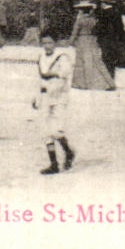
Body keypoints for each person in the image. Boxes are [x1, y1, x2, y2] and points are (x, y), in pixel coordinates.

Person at [33, 33, 76, 174]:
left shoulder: (62, 58)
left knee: (57, 130)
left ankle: (68, 151)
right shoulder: (41, 58)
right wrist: (36, 96)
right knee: (45, 130)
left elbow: (66, 72)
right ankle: (54, 164)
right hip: (45, 96)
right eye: (44, 43)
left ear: (55, 43)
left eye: (50, 42)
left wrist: (55, 74)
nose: (47, 46)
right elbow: (39, 79)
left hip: (59, 97)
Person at [70, 1, 114, 91]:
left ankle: (81, 83)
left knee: (81, 62)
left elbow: (75, 32)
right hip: (93, 40)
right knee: (97, 61)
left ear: (81, 11)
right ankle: (109, 82)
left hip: (82, 40)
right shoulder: (94, 20)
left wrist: (71, 42)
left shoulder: (80, 20)